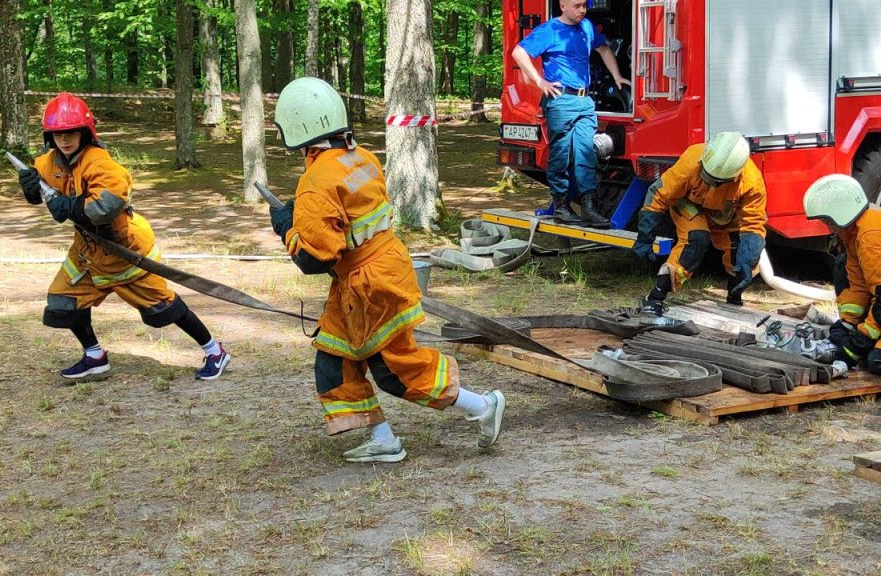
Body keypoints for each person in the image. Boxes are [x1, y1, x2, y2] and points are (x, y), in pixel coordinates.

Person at [268, 77, 507, 463]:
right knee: (336, 363)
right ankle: (384, 440)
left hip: (369, 286)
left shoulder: (315, 182)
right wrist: (301, 210)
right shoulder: (359, 156)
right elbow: (348, 208)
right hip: (380, 272)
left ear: (295, 127)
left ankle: (482, 405)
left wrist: (285, 226)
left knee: (394, 371)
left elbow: (314, 260)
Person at [17, 92, 230, 382]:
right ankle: (95, 357)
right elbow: (42, 188)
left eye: (71, 132)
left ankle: (215, 352)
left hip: (123, 249)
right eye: (58, 134)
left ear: (84, 132)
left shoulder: (100, 163)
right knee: (63, 301)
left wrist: (71, 205)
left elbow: (106, 206)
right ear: (49, 136)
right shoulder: (49, 161)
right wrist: (30, 188)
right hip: (87, 253)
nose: (64, 140)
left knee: (163, 307)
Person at [511, 0, 631, 228]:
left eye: (584, 5)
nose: (582, 10)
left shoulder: (586, 26)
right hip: (561, 101)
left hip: (585, 101)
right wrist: (539, 81)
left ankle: (589, 208)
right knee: (561, 155)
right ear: (563, 5)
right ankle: (561, 207)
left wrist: (617, 76)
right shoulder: (549, 30)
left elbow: (604, 49)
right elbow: (518, 52)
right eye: (577, 6)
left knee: (587, 152)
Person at [632, 131, 767, 315]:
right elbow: (659, 193)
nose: (710, 184)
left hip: (724, 214)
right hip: (689, 204)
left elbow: (753, 223)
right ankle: (655, 296)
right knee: (695, 241)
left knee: (741, 256)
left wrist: (749, 259)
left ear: (735, 176)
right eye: (707, 176)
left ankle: (734, 297)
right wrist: (645, 236)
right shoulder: (691, 159)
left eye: (716, 182)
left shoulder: (752, 183)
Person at [803, 174, 881, 374]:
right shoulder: (855, 232)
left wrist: (860, 341)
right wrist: (848, 323)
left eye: (826, 221)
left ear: (840, 213)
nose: (827, 228)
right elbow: (859, 285)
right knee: (842, 264)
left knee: (876, 361)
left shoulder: (870, 236)